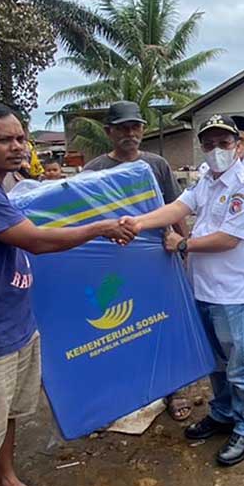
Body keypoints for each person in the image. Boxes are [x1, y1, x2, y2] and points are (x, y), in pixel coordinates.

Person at [0, 103, 136, 486]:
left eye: (20, 138)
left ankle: (6, 484)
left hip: (13, 324)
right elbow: (37, 241)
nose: (17, 147)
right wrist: (101, 226)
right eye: (4, 139)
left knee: (6, 413)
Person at [121, 114, 244, 467]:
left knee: (240, 362)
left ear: (240, 146)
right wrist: (138, 223)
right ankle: (223, 412)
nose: (216, 150)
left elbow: (229, 239)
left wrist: (183, 244)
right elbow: (178, 207)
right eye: (210, 143)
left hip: (233, 290)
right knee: (214, 360)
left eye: (224, 143)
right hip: (203, 287)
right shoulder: (207, 180)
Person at [82, 100, 192, 421]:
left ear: (143, 130)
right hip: (114, 263)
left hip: (158, 257)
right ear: (109, 132)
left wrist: (182, 248)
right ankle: (130, 391)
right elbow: (85, 219)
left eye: (135, 127)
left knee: (164, 321)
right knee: (121, 326)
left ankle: (175, 388)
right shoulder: (94, 171)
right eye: (123, 128)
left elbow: (177, 208)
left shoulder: (157, 164)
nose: (130, 133)